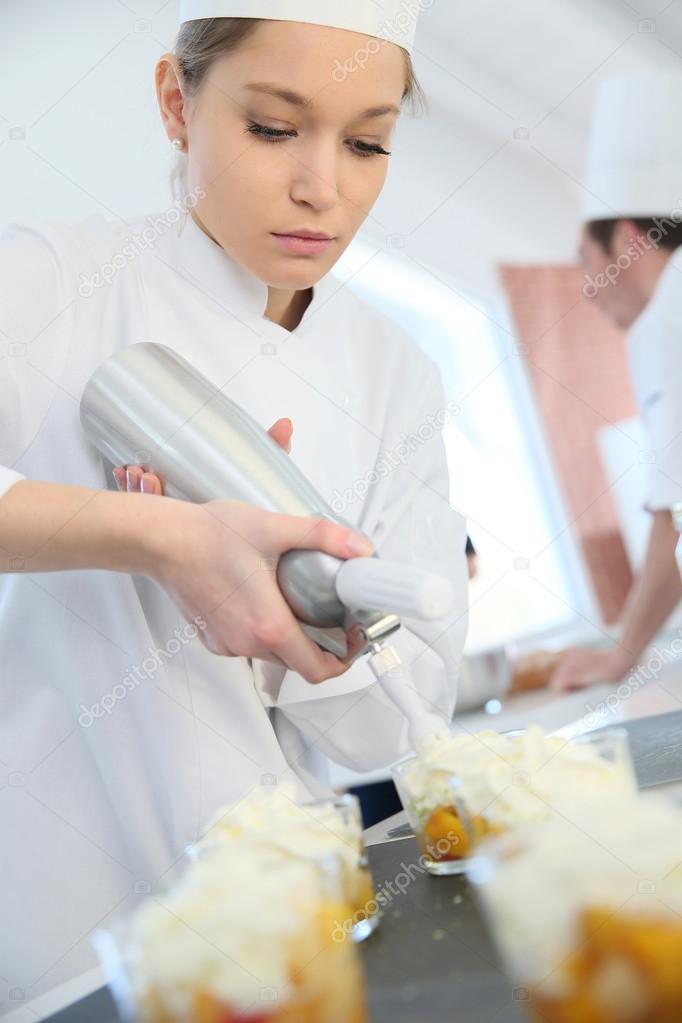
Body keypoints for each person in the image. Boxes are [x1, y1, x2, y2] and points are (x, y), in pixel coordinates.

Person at [0, 0, 468, 1002]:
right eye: (271, 128)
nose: (322, 189)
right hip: (59, 920)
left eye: (368, 144)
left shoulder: (396, 375)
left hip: (290, 920)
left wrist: (310, 609)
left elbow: (395, 724)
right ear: (177, 101)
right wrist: (156, 533)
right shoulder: (49, 283)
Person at [551, 72, 682, 691]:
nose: (588, 288)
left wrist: (618, 657)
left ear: (628, 242)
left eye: (587, 260)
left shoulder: (667, 316)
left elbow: (673, 514)